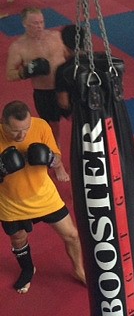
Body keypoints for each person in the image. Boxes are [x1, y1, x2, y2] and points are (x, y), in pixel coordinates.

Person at [0, 100, 85, 294]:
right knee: (18, 239)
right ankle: (28, 269)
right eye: (15, 131)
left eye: (26, 128)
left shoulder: (40, 126)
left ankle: (78, 270)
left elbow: (57, 159)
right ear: (3, 122)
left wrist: (48, 157)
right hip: (11, 202)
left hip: (44, 196)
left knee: (72, 235)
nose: (22, 135)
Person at [5, 8, 71, 181]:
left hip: (66, 89)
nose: (39, 26)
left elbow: (69, 56)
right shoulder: (18, 47)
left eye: (41, 22)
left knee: (83, 122)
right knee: (52, 131)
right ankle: (58, 166)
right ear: (24, 24)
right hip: (44, 93)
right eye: (34, 23)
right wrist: (26, 71)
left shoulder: (56, 36)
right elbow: (10, 73)